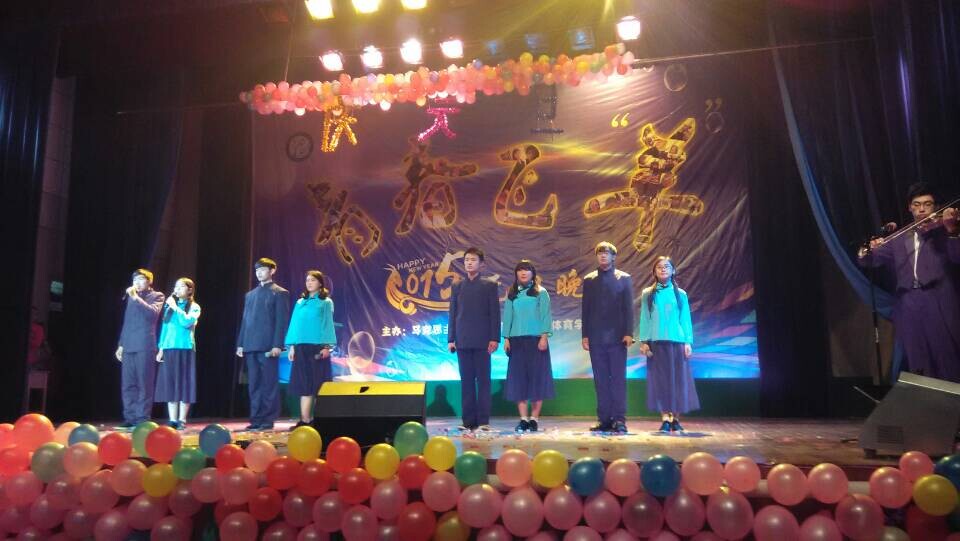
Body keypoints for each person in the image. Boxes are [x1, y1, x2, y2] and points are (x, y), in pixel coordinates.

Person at [858, 182, 960, 382]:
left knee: (946, 357)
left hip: (936, 298)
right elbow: (867, 261)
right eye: (917, 204)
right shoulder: (899, 237)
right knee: (918, 360)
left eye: (927, 204)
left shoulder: (942, 230)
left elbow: (957, 257)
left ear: (935, 207)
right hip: (909, 303)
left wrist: (952, 229)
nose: (922, 209)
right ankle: (924, 401)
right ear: (909, 208)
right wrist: (867, 248)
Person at [638, 256, 699, 432]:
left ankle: (676, 418)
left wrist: (688, 342)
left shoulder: (681, 294)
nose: (663, 269)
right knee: (661, 381)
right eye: (659, 267)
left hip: (677, 342)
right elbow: (645, 318)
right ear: (654, 272)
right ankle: (665, 417)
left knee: (678, 381)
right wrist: (644, 341)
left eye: (666, 266)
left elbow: (685, 319)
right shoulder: (648, 293)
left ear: (673, 271)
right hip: (657, 343)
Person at [581, 241, 635, 434]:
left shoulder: (624, 278)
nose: (603, 255)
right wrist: (585, 335)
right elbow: (586, 309)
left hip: (618, 337)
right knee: (601, 380)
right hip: (596, 337)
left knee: (618, 380)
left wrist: (629, 332)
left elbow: (628, 308)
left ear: (613, 256)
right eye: (600, 253)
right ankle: (603, 419)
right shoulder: (589, 279)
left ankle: (619, 419)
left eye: (606, 253)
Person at [447, 247, 500, 432]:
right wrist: (451, 339)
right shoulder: (457, 286)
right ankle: (468, 421)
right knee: (467, 382)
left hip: (483, 341)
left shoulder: (489, 286)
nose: (469, 263)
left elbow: (495, 314)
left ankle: (483, 421)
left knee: (484, 382)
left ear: (481, 264)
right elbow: (453, 314)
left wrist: (494, 338)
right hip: (462, 340)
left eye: (473, 260)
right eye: (467, 260)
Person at [236, 258, 291, 431]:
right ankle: (256, 419)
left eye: (263, 269)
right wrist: (241, 343)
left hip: (268, 345)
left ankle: (268, 419)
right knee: (254, 384)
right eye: (257, 270)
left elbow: (281, 321)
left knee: (268, 384)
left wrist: (277, 345)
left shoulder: (279, 293)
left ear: (272, 271)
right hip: (250, 344)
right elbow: (245, 321)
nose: (259, 273)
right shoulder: (250, 295)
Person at [502, 260, 555, 432]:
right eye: (520, 270)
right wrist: (506, 338)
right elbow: (507, 316)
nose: (523, 272)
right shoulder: (512, 293)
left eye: (527, 270)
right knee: (519, 380)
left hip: (536, 341)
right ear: (516, 273)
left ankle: (534, 418)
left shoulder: (541, 292)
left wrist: (544, 336)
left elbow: (546, 315)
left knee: (537, 379)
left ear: (533, 273)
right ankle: (523, 419)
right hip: (516, 341)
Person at [285, 270, 336, 430]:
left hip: (317, 347)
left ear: (320, 283)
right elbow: (294, 324)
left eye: (313, 280)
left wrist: (327, 346)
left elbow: (327, 324)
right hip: (301, 347)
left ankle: (319, 421)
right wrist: (292, 346)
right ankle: (305, 420)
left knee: (318, 385)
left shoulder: (326, 302)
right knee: (304, 385)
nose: (309, 283)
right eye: (307, 280)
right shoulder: (301, 302)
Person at [115, 269, 165, 429]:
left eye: (141, 279)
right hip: (129, 344)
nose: (137, 282)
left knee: (144, 383)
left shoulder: (157, 296)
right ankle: (129, 417)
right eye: (135, 279)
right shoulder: (131, 298)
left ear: (149, 281)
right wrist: (121, 344)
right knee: (128, 384)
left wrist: (136, 298)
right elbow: (127, 322)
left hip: (145, 345)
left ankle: (142, 419)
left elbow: (152, 315)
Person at [155, 278, 201, 430]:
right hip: (169, 348)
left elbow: (186, 322)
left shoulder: (194, 307)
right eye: (176, 286)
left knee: (184, 383)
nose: (177, 289)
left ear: (189, 290)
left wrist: (175, 307)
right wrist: (161, 348)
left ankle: (182, 419)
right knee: (171, 383)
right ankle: (172, 419)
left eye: (181, 286)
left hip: (185, 348)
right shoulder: (169, 307)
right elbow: (165, 328)